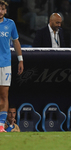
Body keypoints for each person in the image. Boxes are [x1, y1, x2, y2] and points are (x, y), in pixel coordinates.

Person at [0, 0, 24, 132]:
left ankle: (1, 125)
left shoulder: (10, 24)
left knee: (4, 95)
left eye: (2, 9)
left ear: (6, 11)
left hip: (5, 64)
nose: (0, 11)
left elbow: (16, 42)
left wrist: (20, 60)